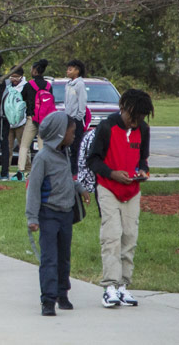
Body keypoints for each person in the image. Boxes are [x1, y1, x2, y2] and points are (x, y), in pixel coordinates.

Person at [88, 89, 153, 308]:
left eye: (140, 118)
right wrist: (112, 173)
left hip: (132, 191)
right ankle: (110, 286)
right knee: (112, 236)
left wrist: (142, 171)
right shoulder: (107, 127)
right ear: (123, 108)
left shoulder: (143, 129)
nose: (135, 122)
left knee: (129, 236)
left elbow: (142, 158)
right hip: (108, 188)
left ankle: (124, 286)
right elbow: (93, 160)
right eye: (132, 117)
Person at [25, 111, 89, 316]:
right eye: (71, 132)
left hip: (66, 214)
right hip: (49, 215)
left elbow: (66, 177)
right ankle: (48, 300)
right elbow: (33, 189)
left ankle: (62, 293)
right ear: (59, 134)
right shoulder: (43, 158)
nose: (73, 135)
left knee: (64, 257)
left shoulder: (65, 152)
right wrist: (32, 217)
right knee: (50, 258)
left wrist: (79, 187)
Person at [18, 59, 51, 177]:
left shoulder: (29, 85)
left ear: (36, 71)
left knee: (24, 145)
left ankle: (21, 170)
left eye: (32, 68)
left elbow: (22, 97)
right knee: (42, 146)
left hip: (31, 118)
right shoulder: (48, 85)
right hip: (45, 119)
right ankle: (42, 170)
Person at [2, 67, 28, 180]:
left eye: (17, 77)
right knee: (8, 148)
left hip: (21, 122)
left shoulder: (25, 87)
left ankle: (25, 171)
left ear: (21, 76)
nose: (14, 79)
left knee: (24, 147)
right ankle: (5, 171)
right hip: (8, 122)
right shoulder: (6, 86)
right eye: (12, 76)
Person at [64, 59, 88, 175]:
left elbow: (82, 102)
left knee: (76, 145)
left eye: (70, 69)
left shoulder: (80, 84)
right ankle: (69, 169)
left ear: (77, 71)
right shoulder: (68, 84)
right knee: (68, 145)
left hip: (76, 119)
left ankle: (76, 171)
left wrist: (79, 117)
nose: (68, 71)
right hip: (68, 118)